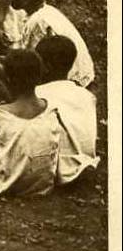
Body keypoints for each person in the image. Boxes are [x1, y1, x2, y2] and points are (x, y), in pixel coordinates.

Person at [0, 49, 62, 196]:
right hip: (41, 186)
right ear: (39, 77)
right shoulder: (51, 111)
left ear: (7, 79)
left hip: (4, 186)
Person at [10, 0, 95, 87]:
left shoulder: (38, 21)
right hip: (82, 76)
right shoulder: (47, 11)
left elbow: (30, 63)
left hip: (74, 81)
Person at [35, 35, 100, 184]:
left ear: (45, 67)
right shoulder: (87, 95)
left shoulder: (39, 94)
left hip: (59, 168)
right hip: (86, 160)